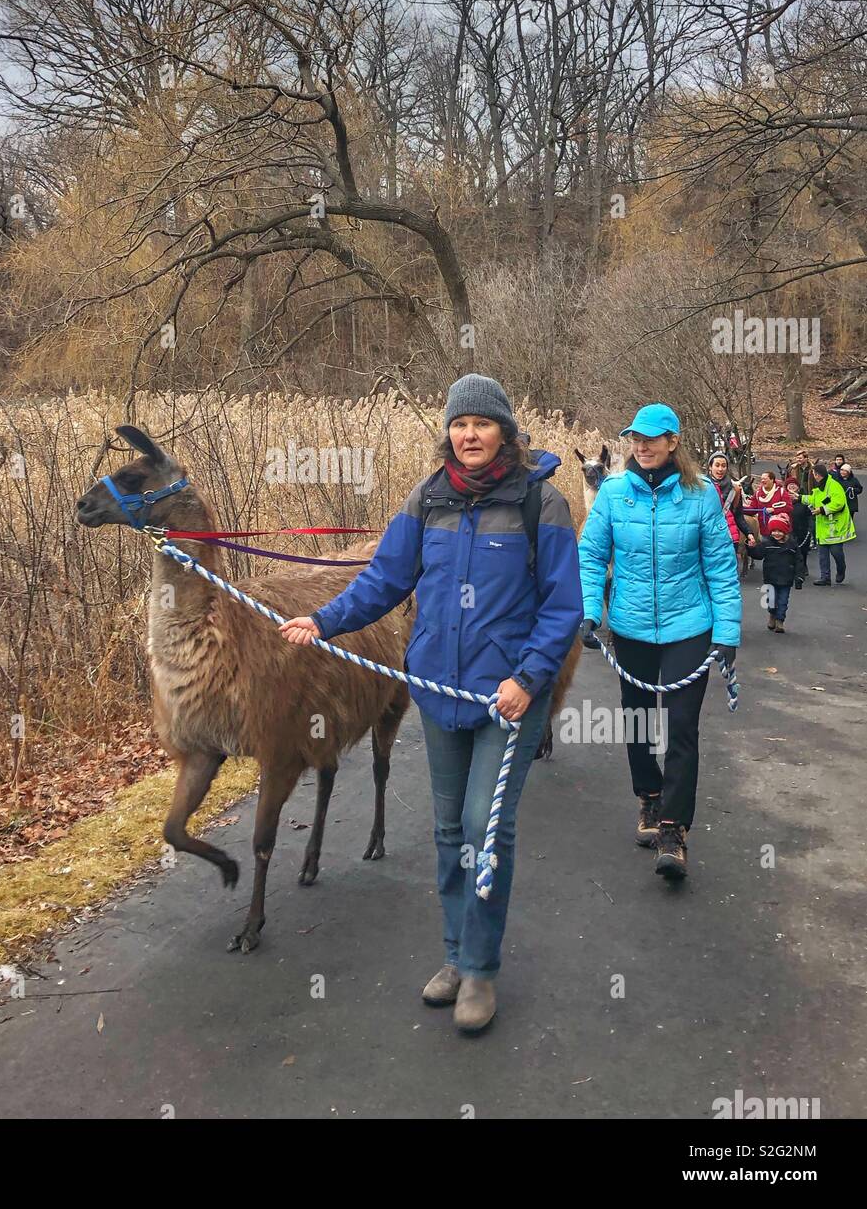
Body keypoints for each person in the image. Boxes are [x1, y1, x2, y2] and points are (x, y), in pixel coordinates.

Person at [279, 375, 582, 1032]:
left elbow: (563, 606)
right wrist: (323, 621)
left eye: (480, 423)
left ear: (503, 430)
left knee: (483, 826)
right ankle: (454, 952)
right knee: (448, 833)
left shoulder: (540, 504)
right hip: (439, 695)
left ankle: (478, 969)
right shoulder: (427, 500)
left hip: (506, 700)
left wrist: (528, 679)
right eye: (458, 424)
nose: (467, 434)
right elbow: (386, 578)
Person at [579, 404, 741, 882]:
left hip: (689, 627)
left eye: (652, 438)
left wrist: (727, 632)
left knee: (681, 725)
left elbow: (721, 568)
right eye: (635, 438)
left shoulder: (700, 495)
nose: (642, 446)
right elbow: (591, 555)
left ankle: (673, 830)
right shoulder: (612, 494)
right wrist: (591, 612)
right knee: (638, 720)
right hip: (630, 628)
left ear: (673, 441)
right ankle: (648, 797)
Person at [745, 512, 804, 632]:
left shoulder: (792, 545)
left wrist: (799, 577)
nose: (776, 533)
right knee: (771, 601)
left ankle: (780, 621)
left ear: (785, 531)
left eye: (780, 531)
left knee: (783, 602)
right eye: (774, 531)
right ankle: (772, 614)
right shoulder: (767, 544)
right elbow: (758, 555)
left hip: (786, 579)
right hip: (770, 578)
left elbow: (799, 561)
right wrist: (751, 547)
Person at [800, 461, 856, 586]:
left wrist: (822, 510)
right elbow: (813, 499)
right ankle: (825, 577)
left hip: (835, 527)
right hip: (823, 527)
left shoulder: (834, 486)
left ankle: (841, 569)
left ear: (818, 474)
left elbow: (838, 503)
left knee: (836, 553)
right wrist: (799, 498)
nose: (813, 476)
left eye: (814, 474)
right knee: (822, 555)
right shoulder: (819, 488)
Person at [707, 451, 750, 550]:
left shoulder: (735, 489)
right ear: (710, 467)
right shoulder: (701, 487)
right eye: (717, 465)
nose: (720, 469)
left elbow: (738, 515)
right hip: (708, 537)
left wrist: (748, 533)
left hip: (729, 536)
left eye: (723, 466)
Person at [742, 470, 791, 535]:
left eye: (765, 479)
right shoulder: (758, 493)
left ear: (772, 480)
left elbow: (788, 507)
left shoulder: (781, 492)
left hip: (780, 531)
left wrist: (774, 510)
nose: (762, 481)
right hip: (765, 530)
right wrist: (740, 508)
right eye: (761, 479)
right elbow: (753, 509)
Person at [785, 478, 813, 579]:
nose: (792, 486)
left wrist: (810, 528)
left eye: (794, 485)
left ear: (798, 487)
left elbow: (810, 515)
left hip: (802, 529)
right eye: (790, 485)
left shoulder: (803, 500)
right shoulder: (783, 500)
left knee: (803, 551)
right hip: (788, 530)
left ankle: (803, 566)